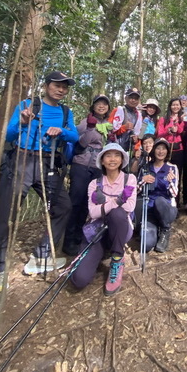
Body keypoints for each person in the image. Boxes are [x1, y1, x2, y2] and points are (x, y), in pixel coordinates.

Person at [0, 71, 78, 283]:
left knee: (63, 206)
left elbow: (74, 136)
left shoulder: (66, 112)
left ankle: (41, 255)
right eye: (57, 85)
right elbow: (9, 135)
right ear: (47, 86)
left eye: (65, 87)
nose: (61, 90)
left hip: (48, 163)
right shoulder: (28, 105)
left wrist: (62, 132)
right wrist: (21, 121)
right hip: (22, 159)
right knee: (8, 212)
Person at [70, 143, 137, 296]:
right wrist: (116, 201)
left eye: (116, 155)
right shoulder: (95, 184)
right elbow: (93, 213)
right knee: (78, 279)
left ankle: (117, 259)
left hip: (120, 228)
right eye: (108, 155)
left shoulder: (129, 179)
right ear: (102, 160)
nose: (112, 159)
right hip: (98, 232)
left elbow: (129, 207)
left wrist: (105, 202)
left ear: (121, 160)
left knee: (117, 214)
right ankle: (101, 252)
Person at [63, 95, 115, 256]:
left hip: (98, 166)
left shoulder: (107, 125)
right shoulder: (86, 122)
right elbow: (82, 143)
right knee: (76, 200)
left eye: (104, 104)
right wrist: (91, 129)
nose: (101, 106)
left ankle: (78, 235)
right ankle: (68, 239)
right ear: (93, 106)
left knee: (88, 201)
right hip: (81, 164)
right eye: (98, 103)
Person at [140, 138, 179, 252]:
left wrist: (170, 182)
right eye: (158, 148)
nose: (161, 151)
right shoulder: (146, 167)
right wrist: (143, 180)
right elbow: (136, 191)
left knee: (160, 201)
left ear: (167, 151)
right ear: (154, 150)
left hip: (166, 208)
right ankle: (154, 229)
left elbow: (174, 193)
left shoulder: (172, 168)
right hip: (149, 209)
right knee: (146, 245)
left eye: (163, 149)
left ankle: (165, 229)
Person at [157, 98, 185, 178]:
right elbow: (159, 134)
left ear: (180, 106)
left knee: (177, 172)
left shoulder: (181, 119)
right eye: (173, 105)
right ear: (170, 106)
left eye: (177, 105)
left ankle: (176, 190)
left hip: (178, 149)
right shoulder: (164, 119)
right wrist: (168, 131)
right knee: (165, 171)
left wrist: (178, 123)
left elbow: (180, 131)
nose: (175, 107)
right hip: (166, 149)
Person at [110, 87, 143, 155]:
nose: (133, 100)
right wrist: (124, 127)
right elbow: (109, 130)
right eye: (131, 97)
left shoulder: (139, 115)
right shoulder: (118, 110)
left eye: (136, 98)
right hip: (116, 147)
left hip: (130, 150)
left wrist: (137, 139)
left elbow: (141, 134)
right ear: (126, 98)